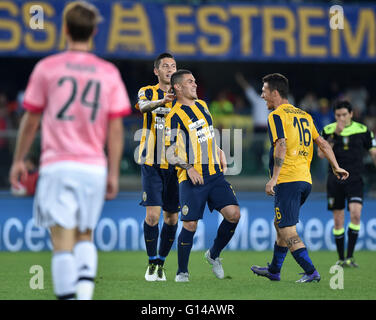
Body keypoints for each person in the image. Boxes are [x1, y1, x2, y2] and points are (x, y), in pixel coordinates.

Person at [9, 1, 131, 300]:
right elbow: (116, 129)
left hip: (58, 164)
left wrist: (19, 159)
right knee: (84, 235)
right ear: (95, 31)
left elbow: (31, 119)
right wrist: (113, 171)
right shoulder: (108, 72)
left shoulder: (47, 68)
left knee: (62, 239)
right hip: (93, 167)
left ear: (64, 29)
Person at [250, 73, 349, 283]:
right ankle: (274, 270)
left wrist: (274, 178)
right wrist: (336, 166)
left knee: (287, 229)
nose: (261, 96)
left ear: (275, 93)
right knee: (280, 225)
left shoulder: (277, 116)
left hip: (288, 179)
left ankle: (311, 271)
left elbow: (281, 145)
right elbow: (322, 143)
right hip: (305, 180)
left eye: (264, 91)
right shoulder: (304, 115)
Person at [164, 69, 240, 282]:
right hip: (191, 177)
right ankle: (182, 272)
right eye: (190, 82)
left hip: (214, 174)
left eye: (195, 81)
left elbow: (208, 135)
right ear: (178, 87)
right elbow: (170, 152)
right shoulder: (174, 117)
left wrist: (219, 150)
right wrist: (188, 167)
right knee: (190, 225)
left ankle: (213, 255)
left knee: (234, 214)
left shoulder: (203, 106)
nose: (195, 84)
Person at [135, 52, 179, 281]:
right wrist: (163, 102)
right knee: (152, 217)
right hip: (151, 162)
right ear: (157, 71)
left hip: (176, 164)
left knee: (172, 219)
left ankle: (161, 262)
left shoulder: (184, 96)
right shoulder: (147, 91)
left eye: (173, 66)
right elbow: (143, 107)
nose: (170, 69)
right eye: (165, 66)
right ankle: (151, 262)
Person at [318, 100, 376, 267]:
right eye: (338, 115)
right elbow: (321, 155)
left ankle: (350, 257)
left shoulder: (363, 130)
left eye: (344, 114)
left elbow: (373, 152)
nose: (341, 118)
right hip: (335, 180)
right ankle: (341, 258)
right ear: (334, 115)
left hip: (355, 179)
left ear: (351, 114)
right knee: (338, 219)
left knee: (356, 214)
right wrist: (335, 134)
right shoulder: (328, 130)